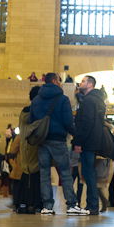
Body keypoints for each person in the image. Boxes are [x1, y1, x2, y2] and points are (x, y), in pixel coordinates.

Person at [30, 72, 87, 216]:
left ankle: (47, 206)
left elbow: (32, 121)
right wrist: (76, 135)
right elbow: (68, 121)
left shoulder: (36, 100)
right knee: (65, 173)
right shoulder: (62, 99)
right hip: (58, 140)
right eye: (59, 80)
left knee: (44, 174)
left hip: (42, 141)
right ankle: (71, 205)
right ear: (55, 81)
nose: (61, 83)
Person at [73, 75, 106, 215]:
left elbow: (86, 123)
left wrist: (78, 142)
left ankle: (92, 205)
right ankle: (92, 204)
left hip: (87, 142)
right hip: (95, 141)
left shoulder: (88, 100)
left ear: (90, 85)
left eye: (83, 81)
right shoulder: (100, 100)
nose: (80, 83)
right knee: (89, 172)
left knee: (88, 172)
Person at [14, 86, 42, 213]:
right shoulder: (38, 112)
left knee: (26, 176)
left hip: (25, 146)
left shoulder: (23, 112)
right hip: (36, 146)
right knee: (36, 177)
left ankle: (21, 202)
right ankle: (35, 203)